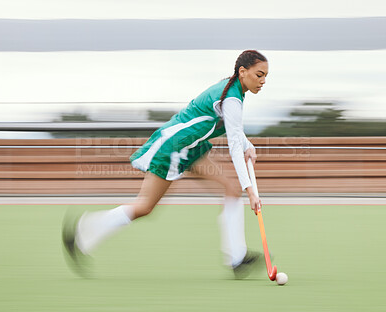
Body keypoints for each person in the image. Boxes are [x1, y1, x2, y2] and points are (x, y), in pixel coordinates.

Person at [62, 50, 269, 279]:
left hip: (190, 147)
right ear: (243, 72)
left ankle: (237, 258)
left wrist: (248, 145)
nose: (263, 81)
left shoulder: (234, 91)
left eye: (265, 76)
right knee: (145, 207)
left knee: (230, 189)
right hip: (173, 147)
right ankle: (85, 230)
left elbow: (235, 131)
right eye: (259, 75)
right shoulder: (231, 96)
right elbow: (233, 144)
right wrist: (250, 190)